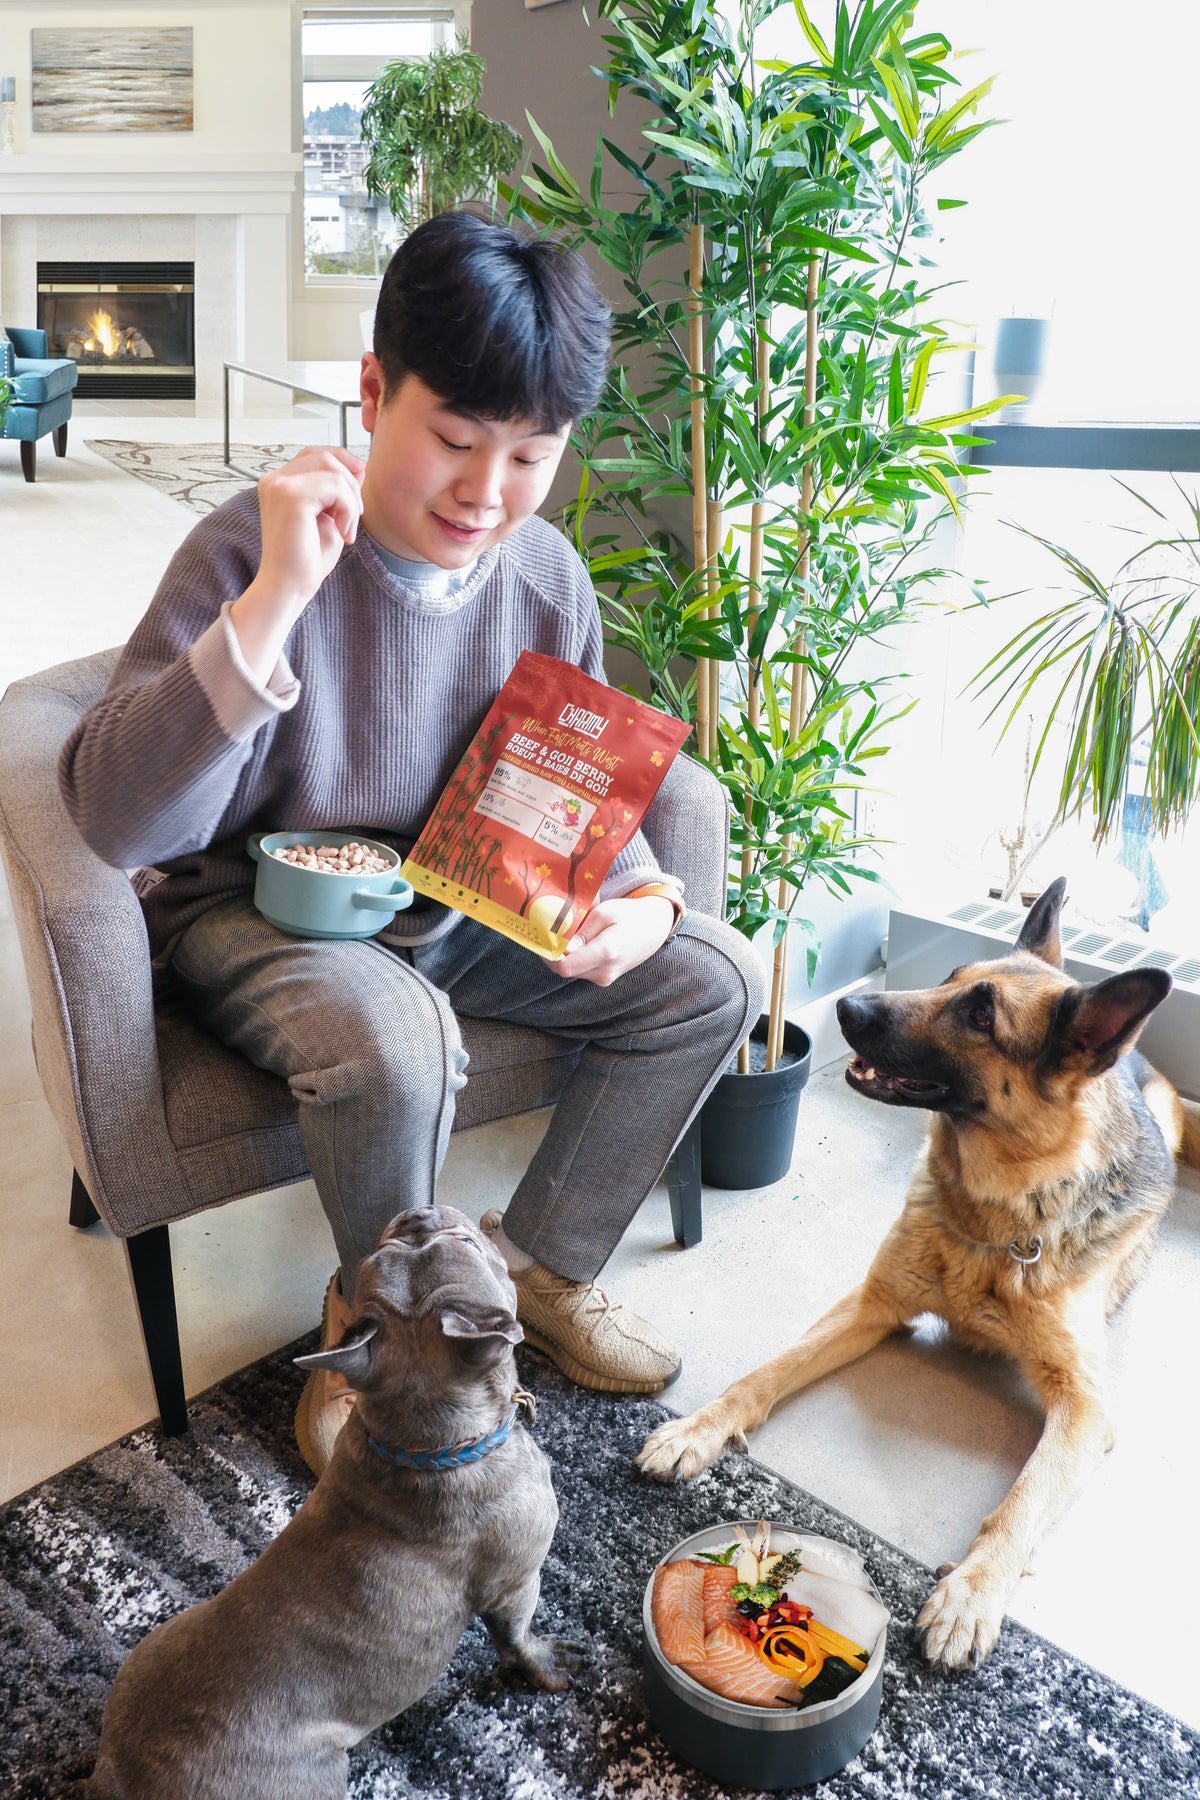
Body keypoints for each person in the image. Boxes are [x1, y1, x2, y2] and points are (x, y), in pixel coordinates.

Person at [59, 211, 765, 1475]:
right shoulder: (248, 543)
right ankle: (375, 1326)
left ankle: (529, 1272)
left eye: (530, 457)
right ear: (374, 391)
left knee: (710, 975)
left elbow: (581, 793)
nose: (484, 495)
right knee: (393, 1043)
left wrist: (646, 899)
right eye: (451, 440)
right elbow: (115, 817)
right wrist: (276, 597)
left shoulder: (544, 576)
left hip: (459, 900)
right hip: (253, 913)